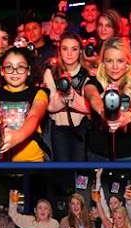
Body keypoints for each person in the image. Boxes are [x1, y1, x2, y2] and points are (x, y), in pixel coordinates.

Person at [84, 37, 131, 161]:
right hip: (98, 153)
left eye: (120, 61)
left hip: (129, 154)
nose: (114, 67)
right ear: (103, 62)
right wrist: (102, 110)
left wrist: (129, 116)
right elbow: (91, 95)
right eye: (109, 61)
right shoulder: (95, 80)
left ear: (127, 62)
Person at [0, 47, 49, 162]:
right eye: (9, 67)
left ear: (29, 70)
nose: (14, 72)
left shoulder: (39, 93)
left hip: (32, 163)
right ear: (2, 71)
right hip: (0, 164)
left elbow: (34, 116)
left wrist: (18, 136)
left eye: (21, 67)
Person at [43, 32, 91, 161]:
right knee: (62, 169)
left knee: (82, 169)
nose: (69, 54)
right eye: (65, 49)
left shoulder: (87, 73)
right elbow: (50, 106)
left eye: (74, 49)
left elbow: (91, 107)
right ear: (59, 51)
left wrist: (72, 95)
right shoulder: (52, 72)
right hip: (59, 128)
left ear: (80, 51)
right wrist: (64, 97)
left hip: (82, 127)